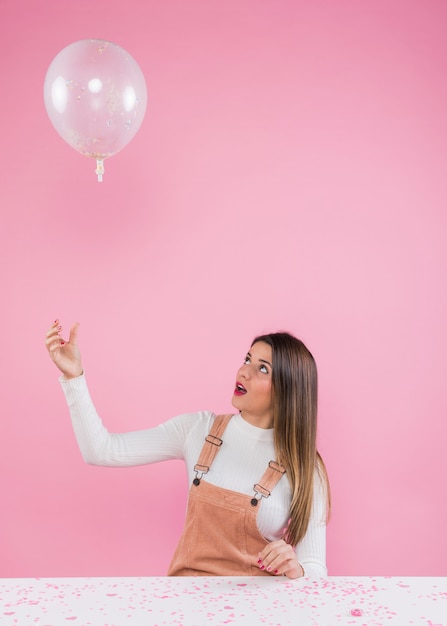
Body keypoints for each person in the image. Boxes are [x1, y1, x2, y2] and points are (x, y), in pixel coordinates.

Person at [45, 320, 330, 578]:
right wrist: (74, 378)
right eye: (247, 359)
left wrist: (297, 569)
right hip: (186, 606)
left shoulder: (305, 466)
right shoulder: (197, 430)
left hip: (258, 612)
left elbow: (315, 569)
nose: (244, 371)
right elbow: (101, 449)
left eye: (262, 368)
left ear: (288, 389)